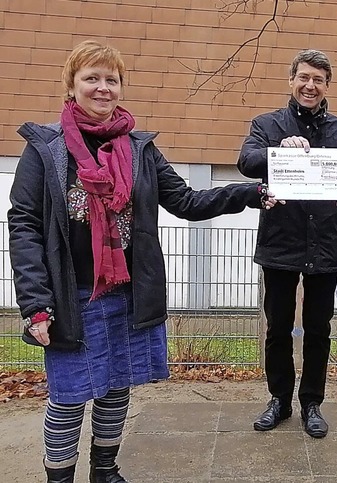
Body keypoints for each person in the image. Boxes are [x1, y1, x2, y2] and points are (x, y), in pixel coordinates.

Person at [8, 40, 276, 483]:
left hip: (127, 293)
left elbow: (187, 200)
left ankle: (104, 471)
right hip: (70, 297)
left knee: (116, 387)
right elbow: (25, 229)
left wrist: (251, 193)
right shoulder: (45, 150)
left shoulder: (139, 149)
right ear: (71, 86)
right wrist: (35, 303)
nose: (102, 88)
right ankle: (59, 477)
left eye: (111, 80)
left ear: (120, 88)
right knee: (70, 396)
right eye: (91, 78)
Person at [237, 49, 337, 438]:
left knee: (317, 328)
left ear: (327, 86)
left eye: (319, 80)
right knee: (277, 327)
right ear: (292, 80)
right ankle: (279, 399)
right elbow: (246, 161)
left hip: (327, 242)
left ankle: (312, 403)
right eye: (304, 78)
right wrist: (278, 152)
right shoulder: (267, 124)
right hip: (280, 241)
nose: (310, 86)